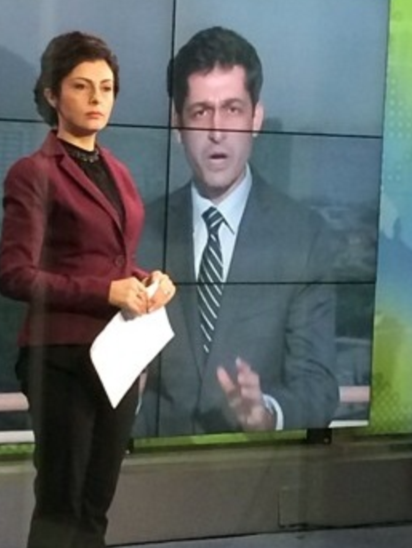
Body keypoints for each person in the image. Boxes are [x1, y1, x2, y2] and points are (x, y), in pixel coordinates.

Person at [0, 31, 175, 548]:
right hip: (60, 357)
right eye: (81, 86)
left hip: (119, 354)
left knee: (94, 510)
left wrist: (149, 280)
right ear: (50, 95)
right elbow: (15, 274)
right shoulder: (32, 173)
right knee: (61, 503)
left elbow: (112, 260)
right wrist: (104, 291)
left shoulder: (119, 172)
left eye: (105, 87)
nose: (96, 98)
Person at [136, 26, 339, 437]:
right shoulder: (140, 231)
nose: (216, 130)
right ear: (177, 127)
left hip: (255, 478)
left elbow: (318, 387)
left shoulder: (304, 237)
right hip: (150, 479)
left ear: (256, 119)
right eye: (199, 112)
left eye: (232, 109)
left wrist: (265, 413)